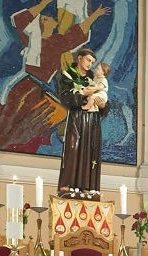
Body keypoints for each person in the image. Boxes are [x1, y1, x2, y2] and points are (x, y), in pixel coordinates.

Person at [0, 1, 110, 154]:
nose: (55, 19)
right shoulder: (33, 39)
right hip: (25, 87)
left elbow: (76, 33)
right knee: (5, 123)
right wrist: (44, 2)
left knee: (23, 130)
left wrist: (95, 15)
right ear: (43, 20)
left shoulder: (56, 42)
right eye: (50, 18)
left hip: (36, 89)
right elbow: (19, 19)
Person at [56, 48, 108, 198]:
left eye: (92, 62)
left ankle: (88, 186)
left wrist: (103, 105)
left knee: (90, 152)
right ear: (79, 58)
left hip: (92, 122)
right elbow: (65, 98)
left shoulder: (94, 78)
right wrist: (82, 95)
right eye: (88, 60)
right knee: (73, 148)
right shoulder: (68, 75)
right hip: (76, 119)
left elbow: (104, 98)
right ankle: (68, 185)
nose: (90, 64)